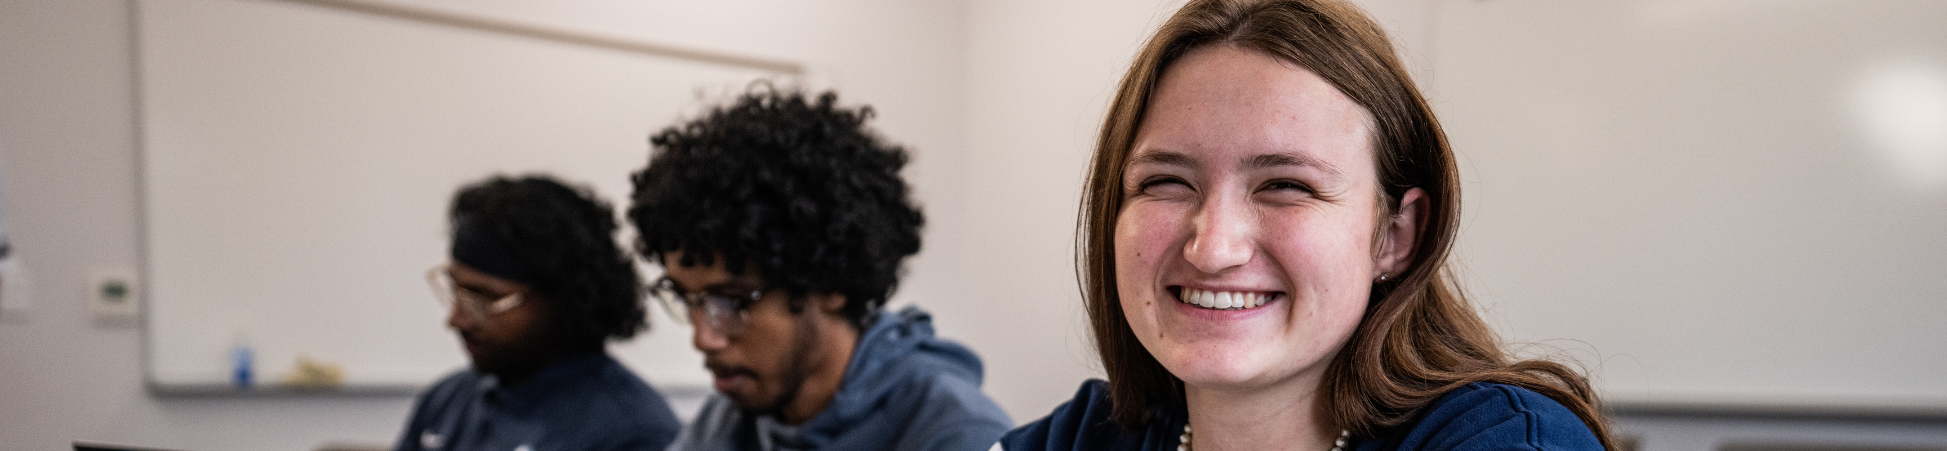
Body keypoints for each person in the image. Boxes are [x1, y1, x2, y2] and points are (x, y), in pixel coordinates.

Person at [999, 0, 1617, 450]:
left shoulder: (1504, 441)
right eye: (1165, 182)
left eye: (1286, 186)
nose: (1213, 247)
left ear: (1396, 236)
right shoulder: (1087, 435)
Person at [629, 87, 1013, 451]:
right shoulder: (728, 420)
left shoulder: (958, 434)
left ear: (831, 285)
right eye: (686, 299)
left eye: (731, 302)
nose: (703, 338)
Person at [396, 175, 682, 451]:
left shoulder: (631, 433)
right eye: (456, 293)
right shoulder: (447, 401)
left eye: (485, 299)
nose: (456, 319)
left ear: (566, 298)